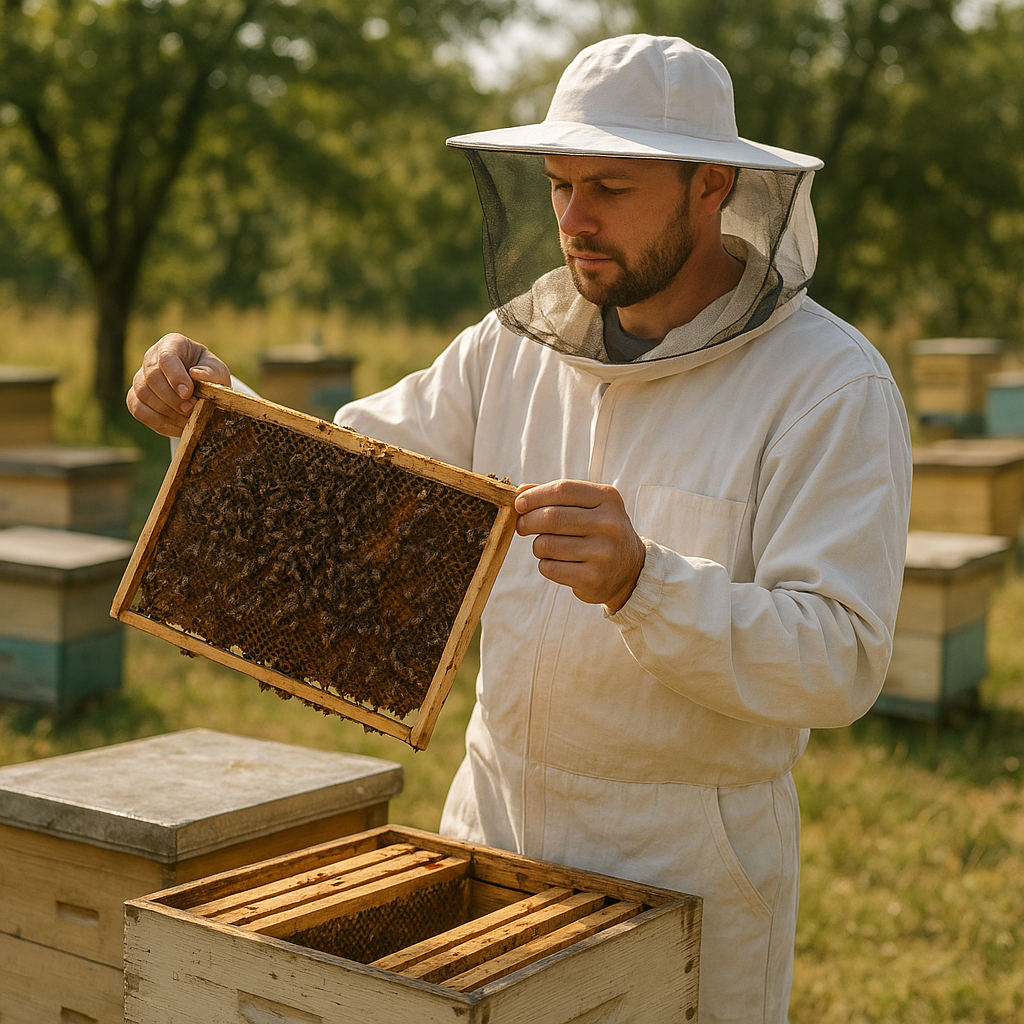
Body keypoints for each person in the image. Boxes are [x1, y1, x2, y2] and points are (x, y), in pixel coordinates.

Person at [127, 34, 912, 1024]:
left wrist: (647, 583)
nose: (574, 220)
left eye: (610, 188)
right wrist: (213, 408)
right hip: (491, 830)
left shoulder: (827, 386)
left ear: (711, 185)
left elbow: (839, 659)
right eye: (558, 186)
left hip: (687, 859)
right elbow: (344, 485)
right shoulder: (509, 348)